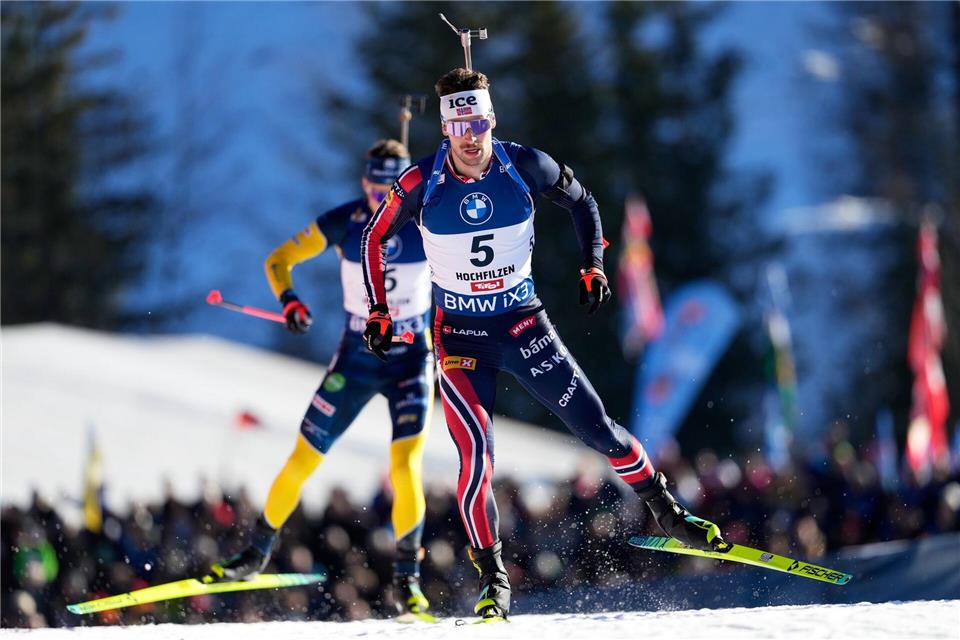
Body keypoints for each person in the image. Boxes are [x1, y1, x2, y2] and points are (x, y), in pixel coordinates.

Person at [359, 69, 725, 621]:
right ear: (444, 128)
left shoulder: (523, 163)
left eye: (479, 121)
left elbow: (585, 204)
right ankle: (494, 578)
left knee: (599, 427)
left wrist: (593, 266)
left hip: (522, 322)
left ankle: (669, 512)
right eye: (459, 124)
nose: (471, 135)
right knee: (475, 458)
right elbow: (373, 237)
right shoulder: (420, 183)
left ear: (492, 120)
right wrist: (379, 309)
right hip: (460, 338)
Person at [205, 139, 436, 620]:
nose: (380, 200)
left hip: (412, 360)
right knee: (301, 458)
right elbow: (277, 261)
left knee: (404, 466)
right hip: (356, 358)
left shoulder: (428, 217)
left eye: (390, 189)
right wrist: (289, 300)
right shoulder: (346, 221)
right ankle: (256, 553)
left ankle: (408, 579)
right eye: (374, 189)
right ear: (363, 184)